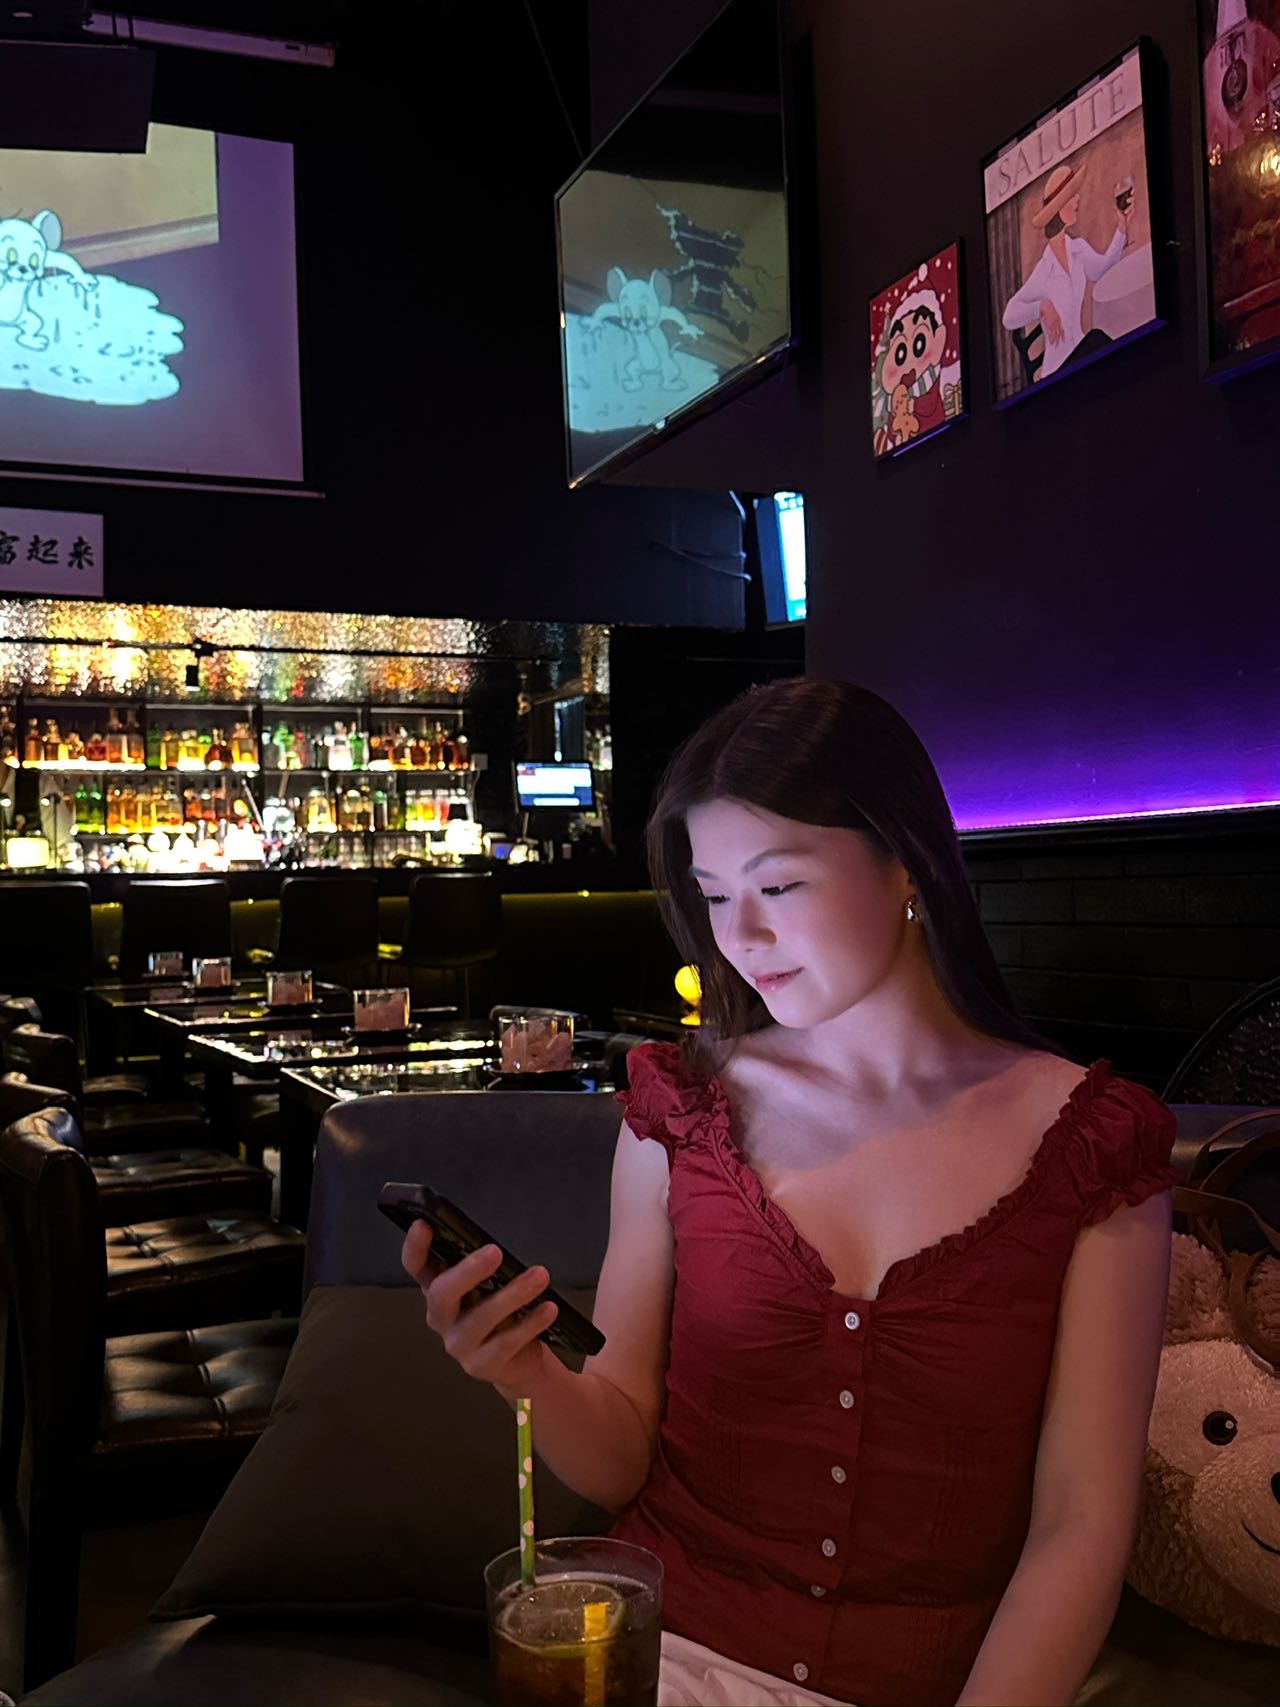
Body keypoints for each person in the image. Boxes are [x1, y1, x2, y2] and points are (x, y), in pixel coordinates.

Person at [403, 678, 1177, 1707]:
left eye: (778, 884)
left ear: (905, 862)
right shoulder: (683, 1111)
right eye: (715, 895)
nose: (740, 937)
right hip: (666, 1658)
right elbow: (622, 1451)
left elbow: (1079, 1522)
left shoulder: (1094, 1146)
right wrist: (521, 1368)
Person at [1002, 160, 1130, 380]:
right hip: (1058, 369)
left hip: (1081, 351)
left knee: (1106, 344)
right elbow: (1008, 317)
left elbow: (1102, 269)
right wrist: (1042, 307)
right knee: (1099, 340)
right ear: (1058, 210)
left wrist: (1122, 226)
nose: (1077, 199)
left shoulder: (1078, 250)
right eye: (1071, 197)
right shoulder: (1045, 270)